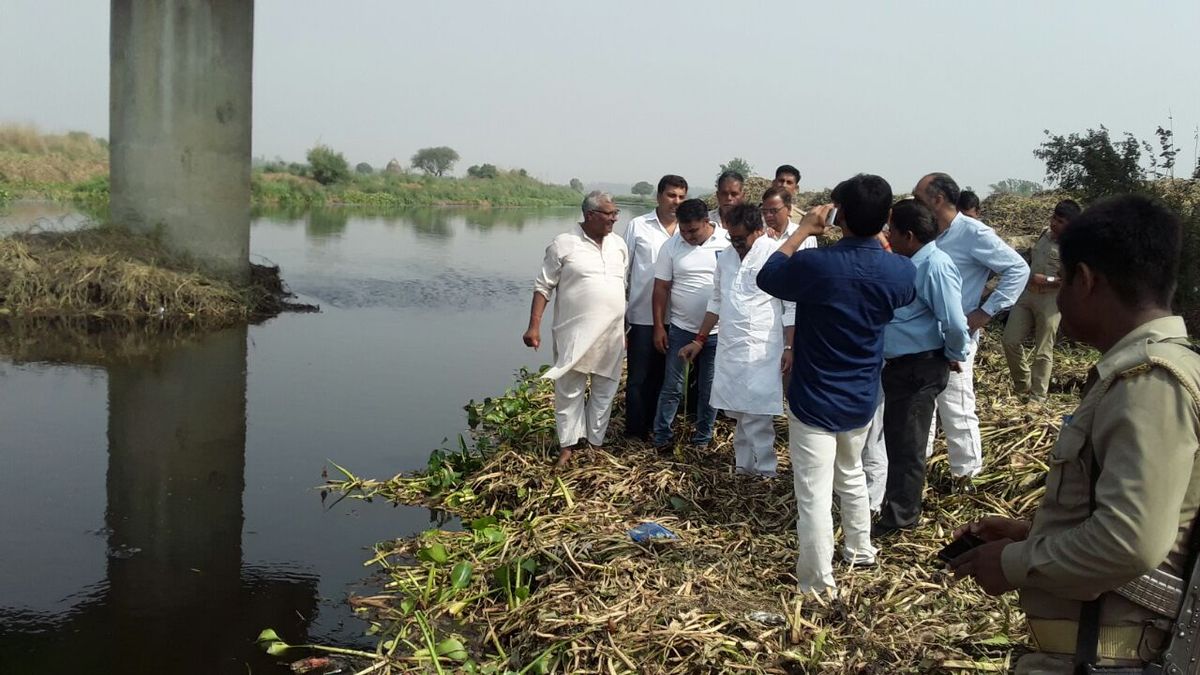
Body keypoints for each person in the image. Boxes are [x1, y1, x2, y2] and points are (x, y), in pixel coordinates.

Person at [950, 195, 1200, 673]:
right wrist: (1034, 534)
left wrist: (1013, 564)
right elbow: (1153, 524)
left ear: (1085, 281)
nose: (1059, 294)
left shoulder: (1149, 383)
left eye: (1063, 280)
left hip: (1110, 659)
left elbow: (1131, 543)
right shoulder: (1161, 370)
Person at [757, 174, 917, 592]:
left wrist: (804, 231)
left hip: (814, 395)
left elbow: (769, 276)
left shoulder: (815, 264)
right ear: (886, 219)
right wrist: (879, 240)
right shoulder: (900, 270)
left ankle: (817, 582)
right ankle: (860, 550)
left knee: (813, 492)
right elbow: (902, 290)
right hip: (862, 391)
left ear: (838, 215)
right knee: (850, 471)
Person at [914, 172, 1029, 491]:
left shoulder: (972, 233)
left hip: (957, 334)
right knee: (924, 403)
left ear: (937, 200)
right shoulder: (929, 233)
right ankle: (917, 470)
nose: (914, 202)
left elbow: (1018, 269)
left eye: (919, 196)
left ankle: (966, 476)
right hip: (922, 333)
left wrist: (985, 312)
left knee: (956, 404)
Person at [872, 200, 970, 536]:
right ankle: (896, 508)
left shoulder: (935, 265)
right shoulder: (911, 262)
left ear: (909, 235)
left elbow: (955, 321)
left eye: (892, 229)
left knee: (909, 446)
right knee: (899, 441)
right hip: (902, 365)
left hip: (920, 366)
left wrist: (955, 352)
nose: (888, 235)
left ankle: (901, 520)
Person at [680, 204, 795, 477]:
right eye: (732, 237)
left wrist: (790, 346)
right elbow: (716, 300)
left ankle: (766, 471)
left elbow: (791, 305)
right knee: (739, 415)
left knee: (758, 416)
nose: (736, 243)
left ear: (759, 230)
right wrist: (699, 339)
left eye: (741, 238)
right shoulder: (727, 257)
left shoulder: (775, 256)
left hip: (763, 350)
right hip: (731, 346)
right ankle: (743, 469)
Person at [523, 191, 629, 467]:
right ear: (591, 215)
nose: (615, 218)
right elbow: (543, 286)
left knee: (605, 389)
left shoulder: (618, 245)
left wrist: (625, 329)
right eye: (610, 214)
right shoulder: (564, 244)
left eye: (616, 213)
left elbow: (622, 288)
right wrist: (534, 326)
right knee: (569, 389)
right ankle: (568, 446)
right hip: (574, 332)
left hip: (611, 334)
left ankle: (595, 444)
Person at [651, 199, 729, 450]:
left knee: (709, 389)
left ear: (707, 222)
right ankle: (662, 436)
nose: (687, 235)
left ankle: (702, 439)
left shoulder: (728, 242)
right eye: (683, 230)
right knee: (672, 387)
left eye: (693, 230)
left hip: (718, 332)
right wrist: (659, 326)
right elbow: (661, 288)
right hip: (681, 329)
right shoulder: (671, 246)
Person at [623, 175, 688, 440]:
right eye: (671, 195)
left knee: (666, 378)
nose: (676, 202)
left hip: (679, 318)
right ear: (659, 196)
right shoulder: (638, 226)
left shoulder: (689, 230)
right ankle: (635, 431)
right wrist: (622, 316)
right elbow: (623, 271)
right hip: (641, 316)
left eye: (682, 197)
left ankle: (657, 426)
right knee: (639, 377)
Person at [1002, 199, 1081, 400]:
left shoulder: (1073, 247)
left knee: (1043, 350)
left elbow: (1071, 279)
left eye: (1060, 221)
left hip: (1051, 301)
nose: (1055, 223)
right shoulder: (1044, 235)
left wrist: (1047, 280)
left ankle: (1038, 397)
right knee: (1010, 340)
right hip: (1027, 294)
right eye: (1054, 217)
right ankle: (1023, 385)